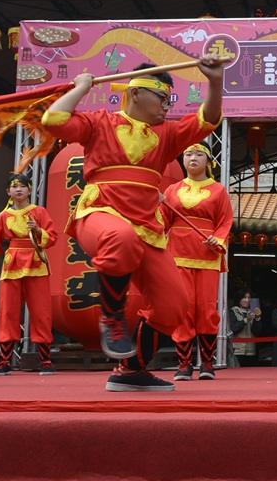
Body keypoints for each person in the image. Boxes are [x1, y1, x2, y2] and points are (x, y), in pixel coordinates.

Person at [40, 58, 224, 392]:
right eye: (162, 98)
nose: (167, 106)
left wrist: (215, 81)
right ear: (136, 93)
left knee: (174, 306)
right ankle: (112, 317)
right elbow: (53, 120)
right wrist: (81, 88)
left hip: (147, 228)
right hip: (99, 214)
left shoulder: (167, 135)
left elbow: (208, 119)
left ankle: (130, 370)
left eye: (170, 100)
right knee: (119, 236)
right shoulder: (100, 122)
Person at [158, 142, 232, 381]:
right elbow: (162, 222)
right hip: (178, 254)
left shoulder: (219, 191)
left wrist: (217, 239)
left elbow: (225, 221)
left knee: (207, 309)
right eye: (188, 154)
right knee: (184, 308)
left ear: (208, 161)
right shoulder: (171, 191)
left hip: (206, 254)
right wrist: (155, 203)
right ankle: (184, 364)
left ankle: (207, 363)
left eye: (199, 154)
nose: (193, 158)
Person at [0, 173, 59, 376]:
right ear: (8, 191)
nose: (18, 189)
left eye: (23, 186)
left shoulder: (39, 212)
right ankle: (4, 361)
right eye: (14, 186)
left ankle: (45, 360)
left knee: (41, 311)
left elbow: (53, 237)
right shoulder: (3, 215)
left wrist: (38, 230)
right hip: (12, 263)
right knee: (8, 311)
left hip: (36, 261)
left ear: (30, 189)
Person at [229, 289, 262, 366]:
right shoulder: (233, 311)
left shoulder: (253, 311)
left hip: (251, 350)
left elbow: (257, 332)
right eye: (244, 297)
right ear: (239, 299)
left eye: (249, 298)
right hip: (237, 350)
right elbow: (233, 329)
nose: (247, 300)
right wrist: (246, 320)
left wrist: (257, 318)